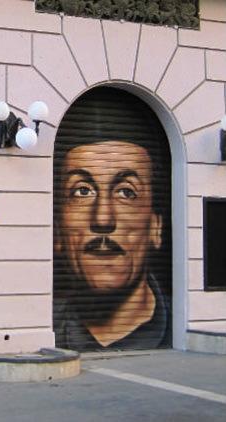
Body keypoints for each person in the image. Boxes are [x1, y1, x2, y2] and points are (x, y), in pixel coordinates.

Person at [53, 89, 171, 350]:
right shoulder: (41, 323)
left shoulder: (180, 325)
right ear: (57, 232)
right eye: (82, 191)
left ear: (156, 226)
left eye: (126, 192)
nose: (103, 218)